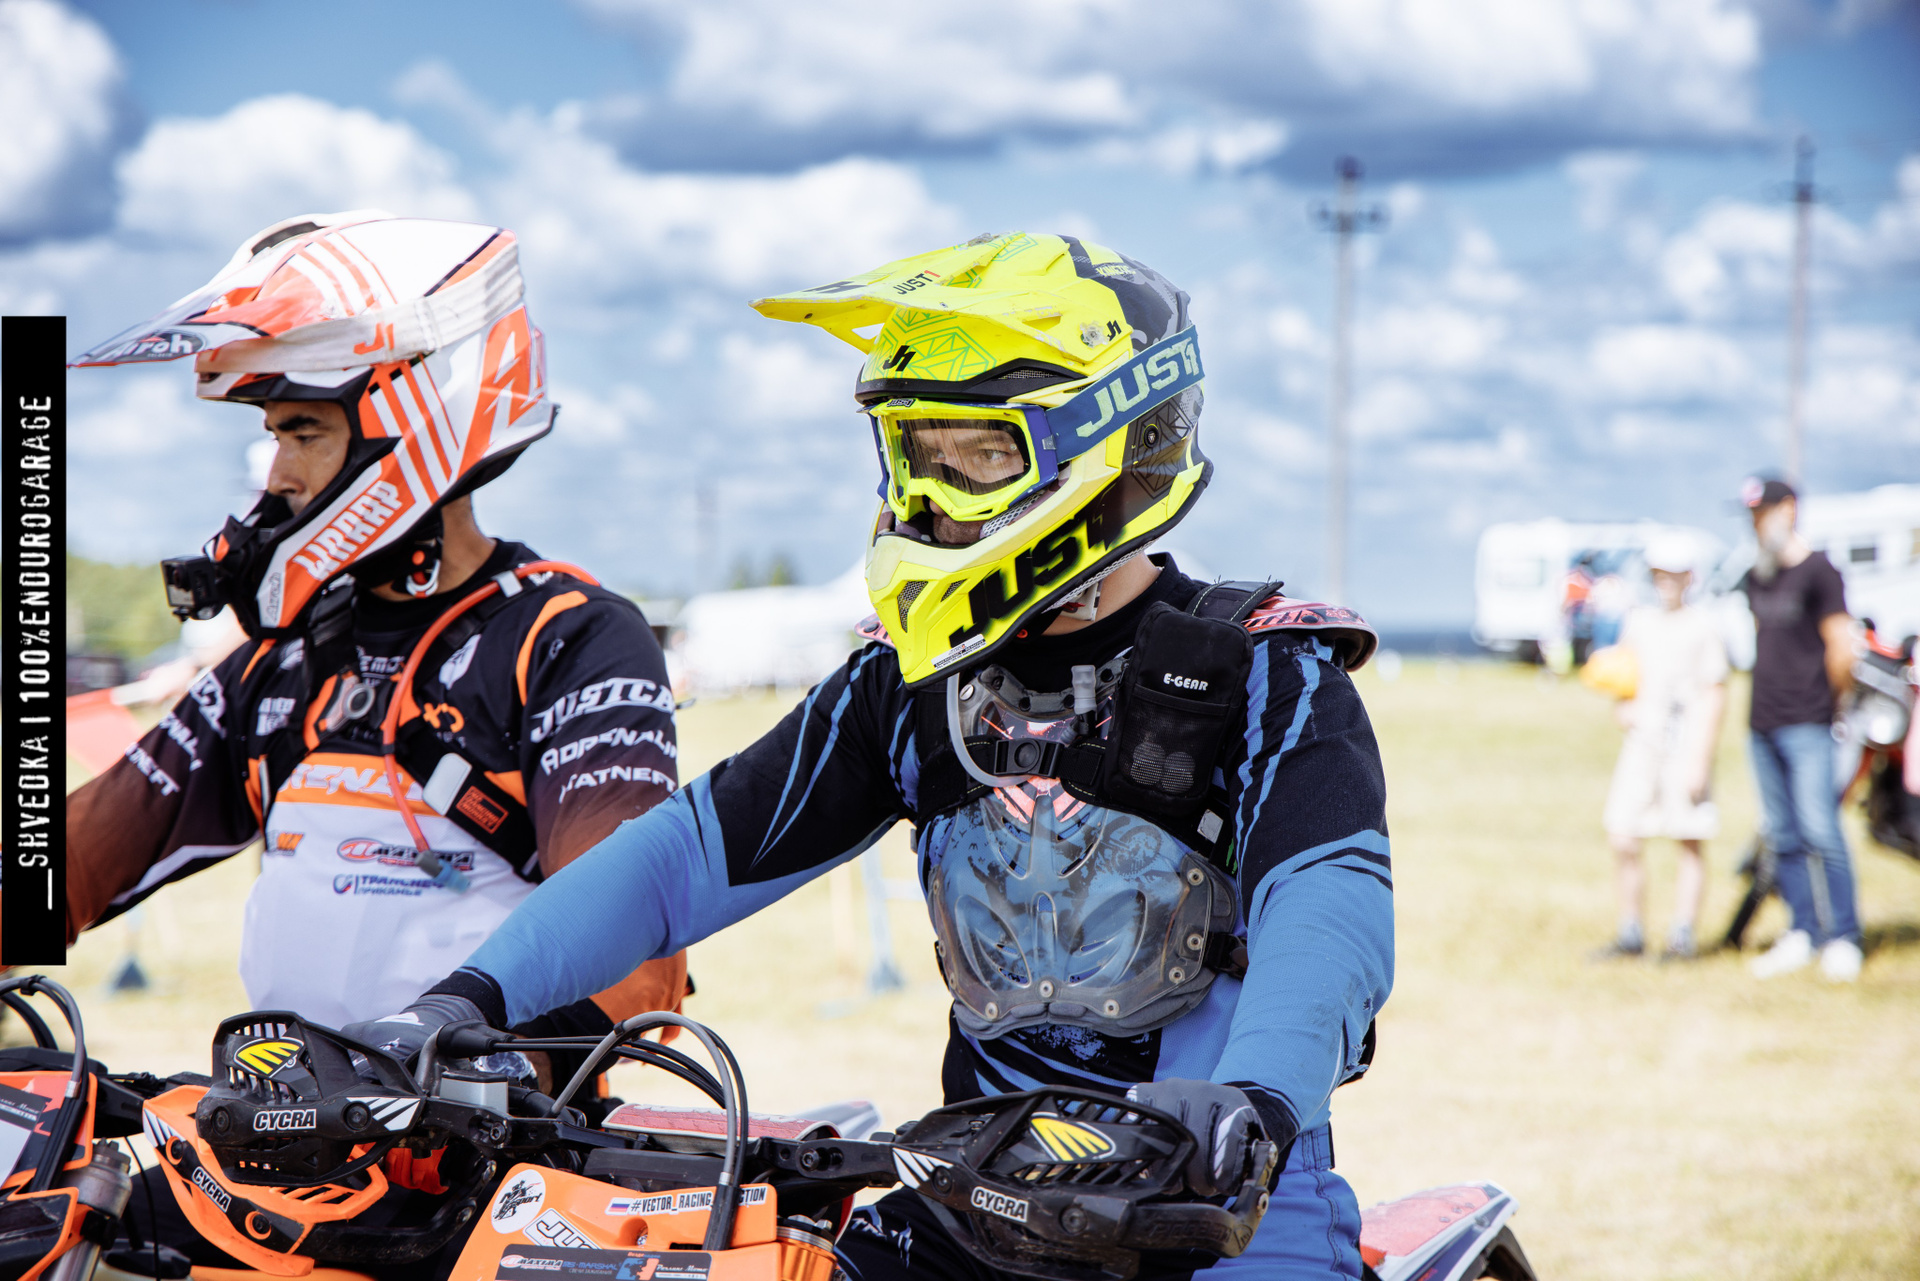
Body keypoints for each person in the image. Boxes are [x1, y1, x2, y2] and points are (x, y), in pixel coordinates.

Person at [345, 232, 1394, 1279]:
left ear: (1113, 444)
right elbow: (679, 858)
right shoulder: (910, 683)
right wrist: (460, 1004)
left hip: (1226, 1209)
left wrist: (1255, 1098)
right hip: (981, 1202)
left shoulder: (1268, 669)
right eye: (917, 453)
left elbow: (1326, 909)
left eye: (981, 455)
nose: (931, 498)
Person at [59, 211, 689, 1039]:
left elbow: (632, 954)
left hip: (495, 1118)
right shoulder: (284, 660)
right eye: (275, 435)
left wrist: (484, 1068)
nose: (276, 476)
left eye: (304, 432)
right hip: (278, 1108)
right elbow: (70, 861)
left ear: (424, 421)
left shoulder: (566, 640)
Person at [1739, 477, 1863, 982]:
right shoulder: (1757, 575)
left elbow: (1841, 649)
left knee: (1821, 830)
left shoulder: (1820, 571)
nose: (1755, 522)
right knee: (1782, 833)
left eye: (1763, 511)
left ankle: (1844, 936)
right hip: (1762, 722)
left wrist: (1829, 704)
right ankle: (1803, 929)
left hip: (1808, 720)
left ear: (1788, 509)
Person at [1592, 534, 1728, 961]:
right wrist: (1621, 707)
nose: (1666, 582)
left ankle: (1682, 935)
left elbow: (1714, 693)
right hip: (1642, 745)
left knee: (1688, 837)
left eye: (1674, 574)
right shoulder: (1639, 621)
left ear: (1690, 577)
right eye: (1659, 574)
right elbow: (1625, 674)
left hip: (1684, 745)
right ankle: (1631, 932)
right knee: (1623, 835)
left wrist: (1700, 760)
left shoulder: (1703, 625)